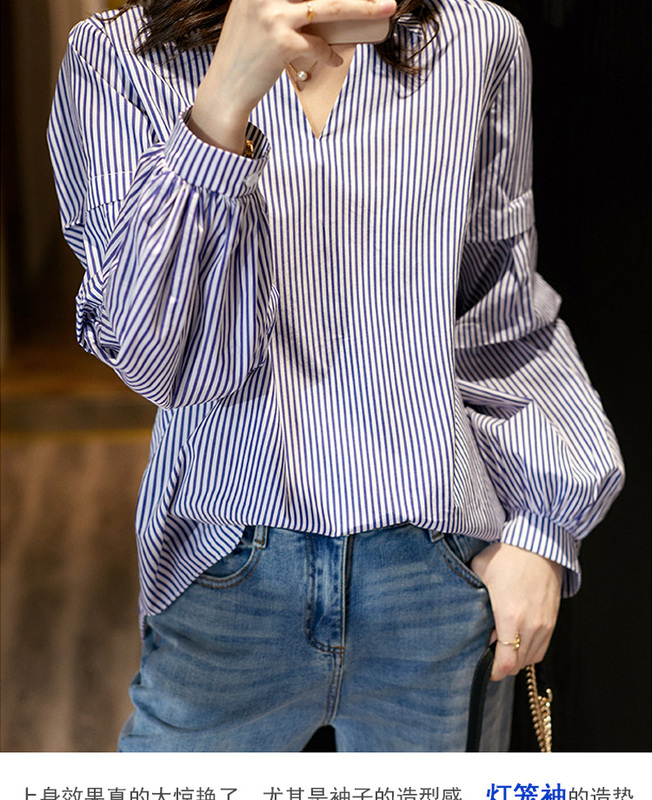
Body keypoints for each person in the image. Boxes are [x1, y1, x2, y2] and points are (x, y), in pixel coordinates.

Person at [47, 0, 624, 752]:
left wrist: (542, 530)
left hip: (434, 570)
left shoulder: (474, 41)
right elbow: (159, 357)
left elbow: (499, 316)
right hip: (228, 566)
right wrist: (222, 106)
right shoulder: (117, 59)